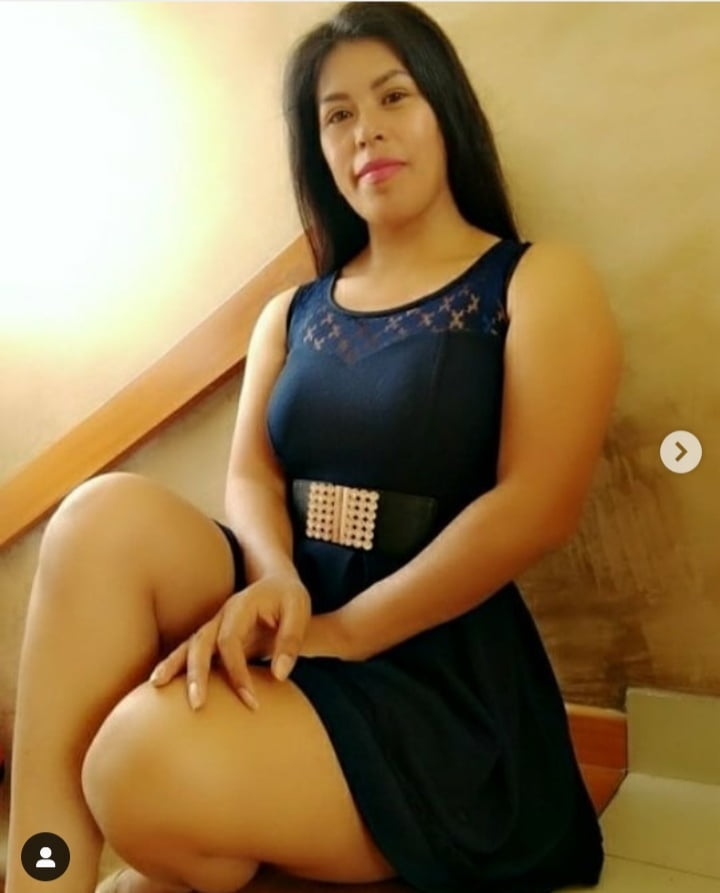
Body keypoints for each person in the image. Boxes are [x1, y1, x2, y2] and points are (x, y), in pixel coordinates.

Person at [5, 3, 623, 893]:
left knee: (136, 761)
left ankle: (223, 825)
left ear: (445, 108)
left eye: (394, 97)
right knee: (97, 514)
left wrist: (345, 631)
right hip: (293, 594)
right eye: (337, 115)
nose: (366, 129)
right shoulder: (290, 313)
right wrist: (277, 580)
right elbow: (254, 472)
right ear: (320, 148)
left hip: (427, 656)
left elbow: (537, 506)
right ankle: (41, 878)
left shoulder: (535, 280)